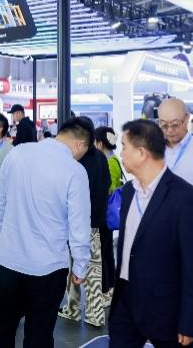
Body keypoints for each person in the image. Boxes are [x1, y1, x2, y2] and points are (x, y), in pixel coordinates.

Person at [0, 118, 92, 348]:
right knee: (40, 334)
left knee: (2, 329)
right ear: (80, 144)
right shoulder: (75, 171)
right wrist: (80, 265)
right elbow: (79, 224)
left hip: (9, 260)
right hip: (48, 267)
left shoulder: (17, 153)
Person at [110, 119, 193, 347]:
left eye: (124, 146)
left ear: (142, 153)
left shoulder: (184, 198)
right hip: (126, 301)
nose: (121, 153)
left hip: (165, 308)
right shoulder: (128, 192)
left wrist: (190, 321)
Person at [60, 117, 112, 329]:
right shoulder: (100, 157)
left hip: (75, 223)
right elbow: (107, 185)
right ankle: (94, 314)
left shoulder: (76, 161)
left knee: (71, 268)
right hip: (95, 223)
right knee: (93, 272)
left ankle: (72, 309)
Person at [95, 126, 123, 193]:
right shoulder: (112, 158)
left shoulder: (110, 162)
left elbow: (110, 190)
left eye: (94, 143)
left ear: (100, 144)